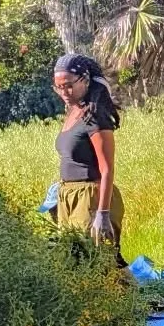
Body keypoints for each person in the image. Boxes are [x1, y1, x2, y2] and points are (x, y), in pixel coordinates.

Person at [51, 53, 125, 252]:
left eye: (68, 85)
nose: (64, 91)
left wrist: (103, 213)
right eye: (59, 87)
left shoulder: (94, 115)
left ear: (84, 80)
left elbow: (107, 168)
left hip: (90, 197)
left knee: (95, 259)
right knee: (71, 261)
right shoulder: (73, 112)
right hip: (68, 196)